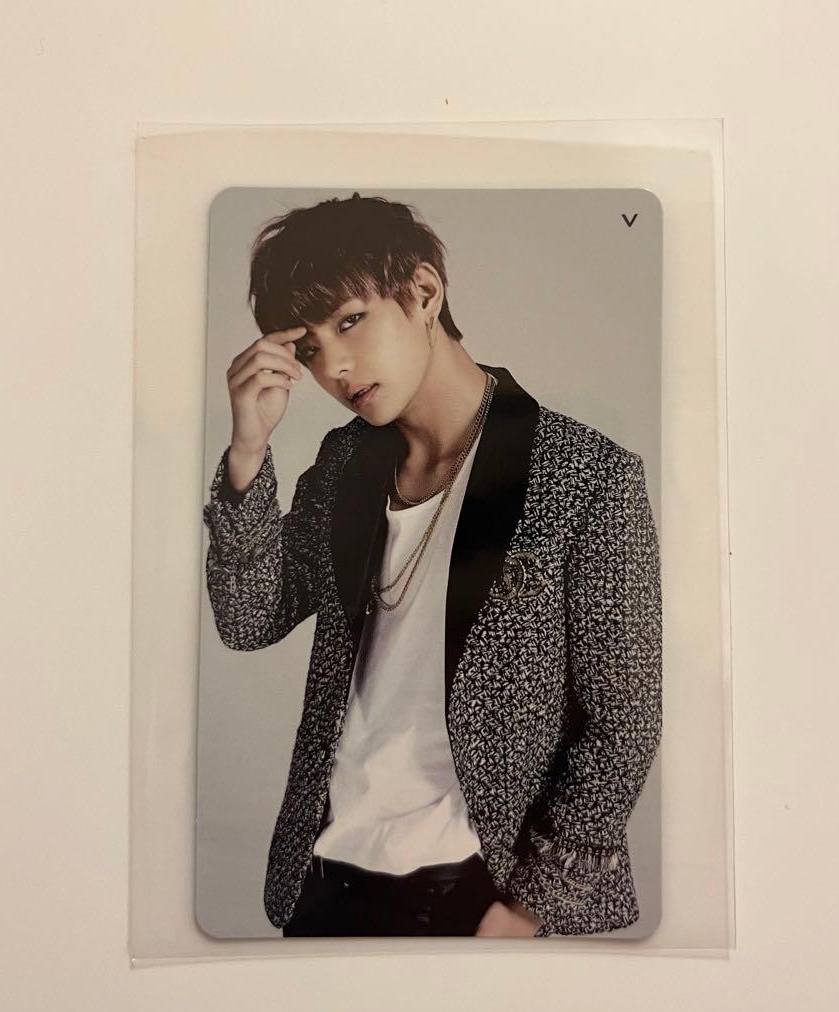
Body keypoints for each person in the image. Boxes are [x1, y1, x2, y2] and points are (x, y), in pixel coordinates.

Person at [202, 193, 662, 937]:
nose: (335, 366)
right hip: (328, 881)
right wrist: (248, 454)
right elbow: (249, 619)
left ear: (422, 292)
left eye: (350, 321)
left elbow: (624, 720)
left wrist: (528, 909)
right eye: (310, 348)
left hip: (482, 890)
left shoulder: (585, 474)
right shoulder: (346, 462)